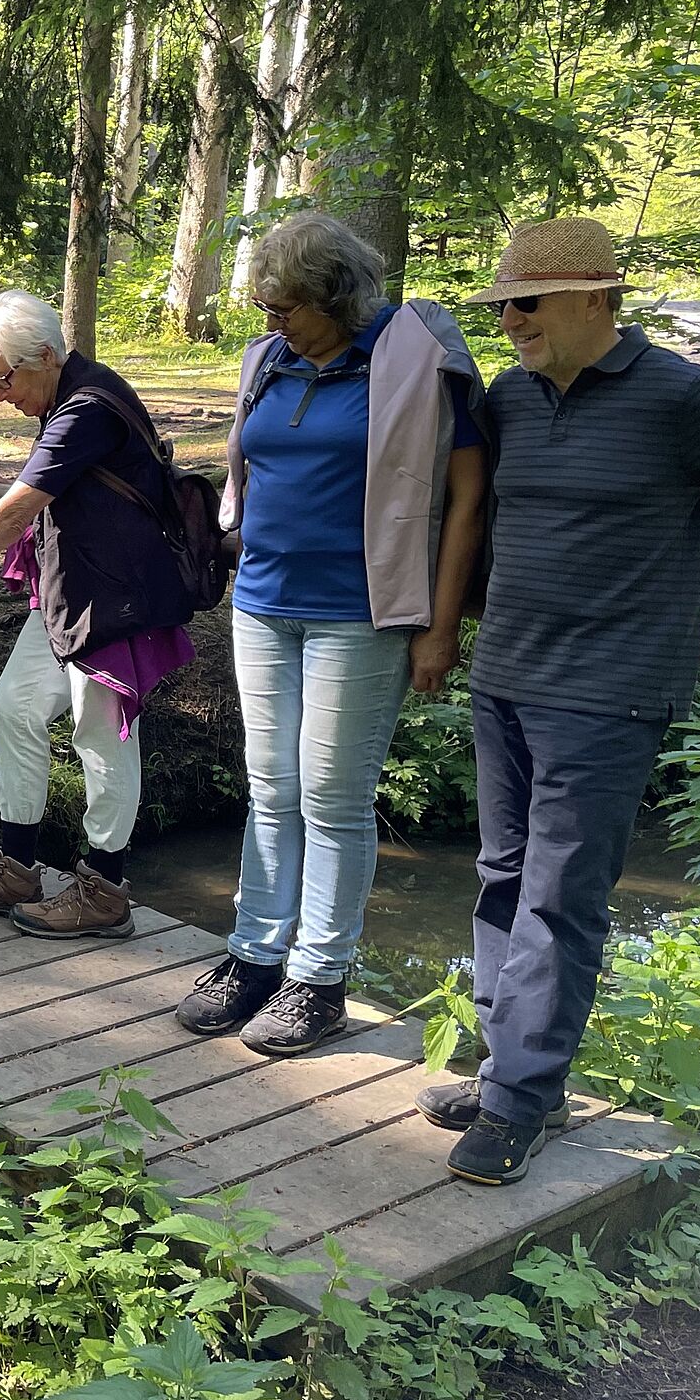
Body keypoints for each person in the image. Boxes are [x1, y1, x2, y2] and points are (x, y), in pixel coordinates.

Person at [433, 216, 700, 1185]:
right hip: (508, 680)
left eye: (527, 303)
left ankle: (521, 1102)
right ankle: (510, 1069)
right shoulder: (512, 398)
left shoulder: (681, 396)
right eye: (502, 306)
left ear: (596, 297)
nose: (513, 320)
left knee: (562, 900)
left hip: (610, 695)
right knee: (501, 877)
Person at [167, 213, 489, 1058]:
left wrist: (439, 626)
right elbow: (253, 471)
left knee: (331, 799)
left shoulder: (419, 361)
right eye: (266, 309)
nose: (271, 324)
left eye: (285, 307)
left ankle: (319, 978)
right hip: (264, 603)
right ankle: (254, 957)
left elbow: (466, 501)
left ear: (335, 297)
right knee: (269, 789)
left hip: (363, 611)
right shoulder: (270, 361)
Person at [0, 291, 195, 936]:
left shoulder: (86, 408)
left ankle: (105, 890)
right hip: (71, 592)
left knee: (101, 731)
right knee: (14, 708)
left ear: (47, 357)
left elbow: (10, 515)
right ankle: (18, 865)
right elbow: (41, 495)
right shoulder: (64, 400)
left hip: (114, 601)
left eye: (2, 378)